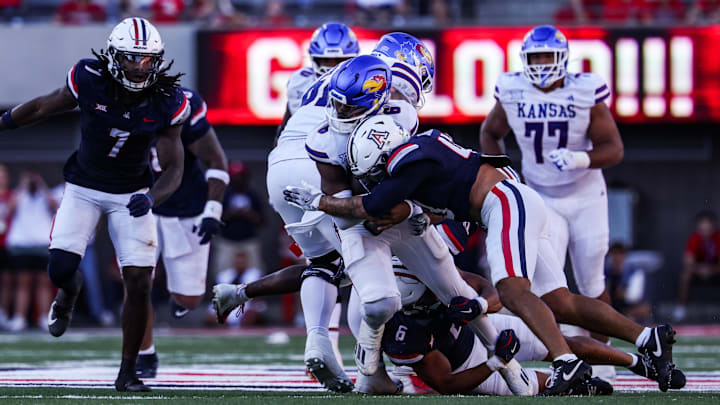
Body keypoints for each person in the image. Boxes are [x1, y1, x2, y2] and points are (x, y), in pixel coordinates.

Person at [285, 116, 680, 394]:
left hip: (502, 204)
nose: (375, 178)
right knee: (558, 301)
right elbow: (409, 207)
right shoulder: (422, 153)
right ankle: (647, 338)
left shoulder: (408, 160)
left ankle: (565, 362)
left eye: (373, 170)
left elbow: (370, 207)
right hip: (514, 199)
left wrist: (319, 201)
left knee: (512, 292)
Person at [299, 50, 536, 396]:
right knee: (381, 303)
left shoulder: (401, 117)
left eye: (350, 107)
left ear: (377, 102)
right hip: (358, 222)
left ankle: (509, 365)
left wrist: (408, 209)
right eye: (337, 104)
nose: (340, 113)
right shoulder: (323, 141)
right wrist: (348, 208)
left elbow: (411, 179)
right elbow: (343, 203)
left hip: (400, 211)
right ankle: (368, 370)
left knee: (454, 288)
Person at [0, 17, 188, 392]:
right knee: (59, 270)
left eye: (147, 59)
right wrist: (4, 121)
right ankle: (69, 292)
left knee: (138, 284)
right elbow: (42, 107)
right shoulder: (89, 78)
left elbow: (174, 167)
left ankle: (128, 370)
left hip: (131, 193)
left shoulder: (168, 100)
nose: (139, 66)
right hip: (84, 186)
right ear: (114, 56)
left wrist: (152, 197)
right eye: (132, 58)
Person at [479, 24, 623, 379]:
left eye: (548, 56)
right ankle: (572, 358)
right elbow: (490, 133)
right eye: (535, 57)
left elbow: (614, 148)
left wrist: (581, 158)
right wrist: (504, 173)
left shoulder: (584, 90)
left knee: (591, 283)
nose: (542, 64)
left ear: (563, 59)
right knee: (551, 287)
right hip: (542, 196)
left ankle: (604, 362)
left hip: (586, 195)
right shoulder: (512, 89)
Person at [383, 272, 684, 395]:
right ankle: (582, 387)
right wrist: (497, 361)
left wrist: (480, 304)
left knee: (559, 343)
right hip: (468, 366)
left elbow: (490, 289)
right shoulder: (400, 333)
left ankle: (639, 363)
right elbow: (447, 382)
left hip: (481, 329)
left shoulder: (436, 275)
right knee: (551, 387)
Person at [135, 86, 228, 379]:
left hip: (185, 208)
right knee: (136, 285)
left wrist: (213, 210)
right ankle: (144, 353)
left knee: (190, 299)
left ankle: (178, 299)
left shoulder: (183, 105)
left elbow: (216, 161)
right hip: (138, 206)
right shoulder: (109, 101)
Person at [4, 172, 58, 332]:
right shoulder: (19, 195)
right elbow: (10, 209)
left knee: (44, 283)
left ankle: (43, 318)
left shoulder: (45, 195)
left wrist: (42, 185)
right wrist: (23, 185)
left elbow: (55, 207)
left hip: (42, 245)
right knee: (23, 283)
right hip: (22, 246)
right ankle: (19, 318)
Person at [673, 211, 720, 321]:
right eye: (702, 227)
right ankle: (681, 309)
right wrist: (700, 269)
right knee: (685, 275)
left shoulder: (718, 237)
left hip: (716, 272)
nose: (705, 231)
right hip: (698, 273)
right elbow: (688, 261)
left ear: (713, 226)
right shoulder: (695, 238)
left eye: (708, 227)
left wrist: (711, 270)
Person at [605, 242, 651, 322]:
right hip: (609, 306)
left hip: (627, 306)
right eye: (615, 254)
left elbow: (633, 297)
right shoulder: (605, 272)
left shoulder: (634, 272)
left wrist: (622, 292)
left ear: (625, 256)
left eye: (620, 254)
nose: (617, 258)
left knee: (645, 309)